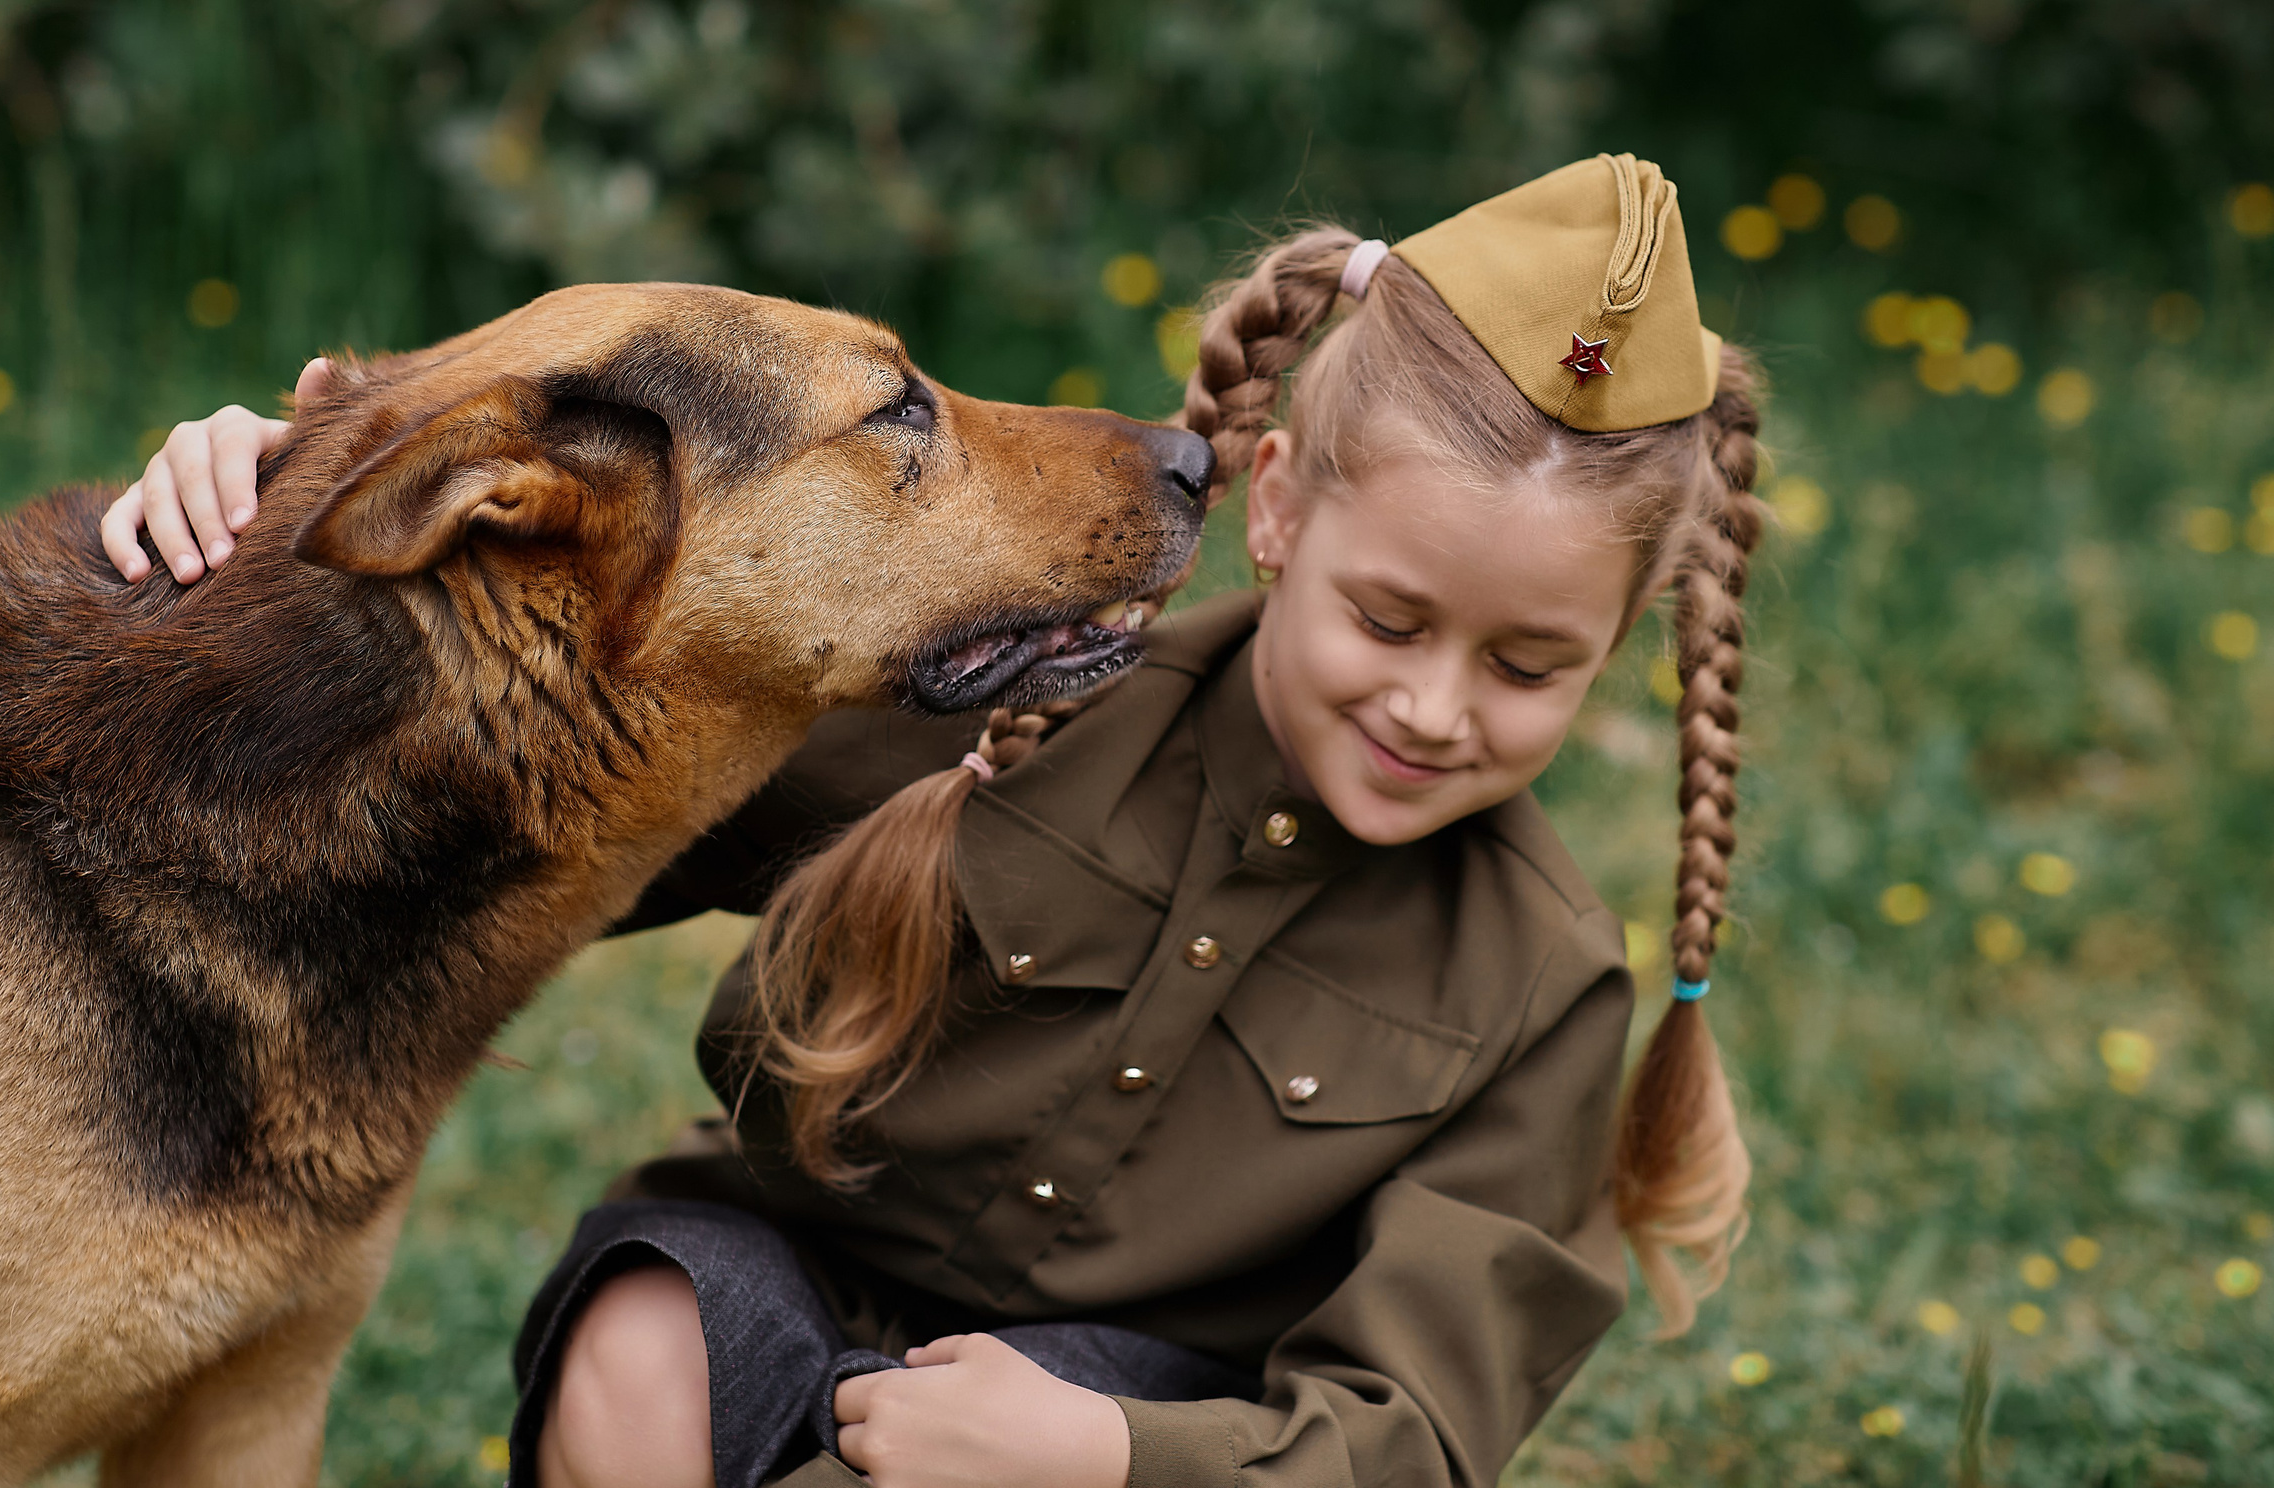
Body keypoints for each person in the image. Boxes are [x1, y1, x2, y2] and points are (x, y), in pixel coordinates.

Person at [107, 153, 1766, 1488]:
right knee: (638, 1354)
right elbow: (510, 785)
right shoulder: (998, 699)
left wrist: (1110, 1452)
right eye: (1391, 623)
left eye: (1530, 666)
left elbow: (1409, 1435)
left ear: (1615, 651)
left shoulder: (1540, 986)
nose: (1434, 706)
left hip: (1147, 1424)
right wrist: (297, 498)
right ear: (1275, 512)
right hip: (797, 1271)